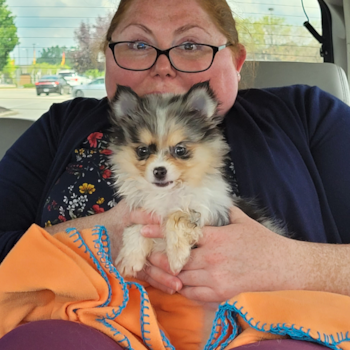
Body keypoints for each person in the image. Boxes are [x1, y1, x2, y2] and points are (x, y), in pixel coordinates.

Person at [0, 0, 350, 349]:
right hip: (87, 319)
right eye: (138, 45)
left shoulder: (308, 114)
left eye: (190, 45)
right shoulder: (60, 125)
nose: (163, 67)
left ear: (237, 60)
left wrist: (289, 265)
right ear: (108, 56)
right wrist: (97, 238)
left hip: (263, 328)